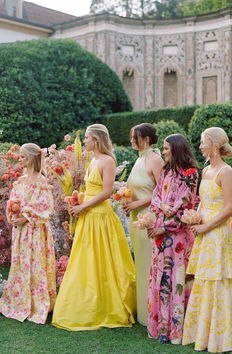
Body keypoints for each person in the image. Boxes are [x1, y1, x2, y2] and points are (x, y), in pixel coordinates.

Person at [52, 124, 136, 330]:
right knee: (87, 260)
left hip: (101, 219)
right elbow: (91, 190)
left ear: (96, 140)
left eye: (87, 138)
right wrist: (77, 200)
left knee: (104, 261)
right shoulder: (93, 161)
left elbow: (106, 192)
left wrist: (82, 206)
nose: (84, 141)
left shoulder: (107, 161)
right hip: (89, 217)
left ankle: (108, 305)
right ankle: (88, 303)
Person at [183, 127, 232, 353]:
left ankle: (220, 338)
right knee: (203, 279)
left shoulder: (226, 171)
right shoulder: (205, 171)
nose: (200, 146)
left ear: (214, 145)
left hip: (218, 233)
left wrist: (206, 225)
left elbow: (231, 207)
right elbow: (203, 201)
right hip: (203, 232)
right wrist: (195, 217)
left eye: (204, 142)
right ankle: (202, 335)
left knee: (218, 280)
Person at [147, 134, 199, 344]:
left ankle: (177, 330)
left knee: (176, 281)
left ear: (177, 149)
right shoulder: (166, 171)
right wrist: (159, 210)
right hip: (160, 239)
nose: (164, 151)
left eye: (167, 148)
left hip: (177, 239)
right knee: (161, 279)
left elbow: (186, 206)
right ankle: (161, 329)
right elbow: (155, 197)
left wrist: (163, 227)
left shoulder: (191, 174)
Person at [0, 143, 56, 324]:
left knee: (35, 264)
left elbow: (45, 207)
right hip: (21, 232)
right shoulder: (20, 181)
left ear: (32, 158)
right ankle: (19, 300)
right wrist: (12, 216)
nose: (19, 159)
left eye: (23, 156)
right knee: (21, 264)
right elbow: (12, 202)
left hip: (35, 231)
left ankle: (36, 304)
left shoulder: (41, 181)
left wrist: (25, 217)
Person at [123, 123, 164, 326]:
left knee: (150, 266)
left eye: (135, 137)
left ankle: (153, 314)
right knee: (141, 265)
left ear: (146, 139)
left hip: (149, 219)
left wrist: (138, 203)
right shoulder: (139, 160)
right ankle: (143, 312)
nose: (132, 141)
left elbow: (163, 192)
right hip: (136, 220)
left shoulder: (155, 159)